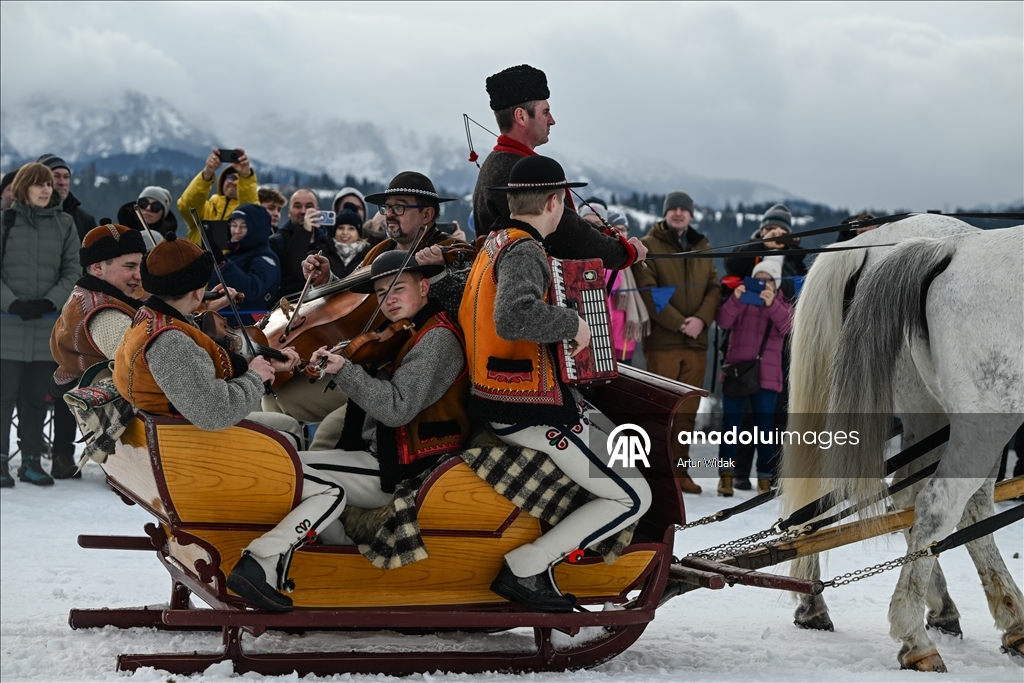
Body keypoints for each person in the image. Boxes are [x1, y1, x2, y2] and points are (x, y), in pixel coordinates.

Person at [460, 155, 651, 612]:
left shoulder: (497, 240)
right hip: (522, 407)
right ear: (555, 201)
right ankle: (529, 567)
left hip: (508, 395)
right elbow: (512, 317)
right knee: (633, 496)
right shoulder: (525, 249)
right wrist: (573, 323)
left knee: (623, 445)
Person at [228, 250, 470, 611]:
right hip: (388, 454)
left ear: (423, 287)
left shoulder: (437, 340)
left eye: (398, 289)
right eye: (382, 291)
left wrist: (346, 370)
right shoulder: (411, 330)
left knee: (293, 470)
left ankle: (260, 561)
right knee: (289, 463)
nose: (389, 300)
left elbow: (395, 408)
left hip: (409, 466)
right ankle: (335, 566)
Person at [111, 233, 307, 609]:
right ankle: (278, 538)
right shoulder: (169, 341)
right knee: (291, 431)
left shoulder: (152, 318)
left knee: (288, 427)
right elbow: (213, 412)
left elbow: (200, 355)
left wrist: (256, 357)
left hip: (175, 438)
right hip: (192, 452)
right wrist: (256, 377)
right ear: (197, 289)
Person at [472, 65, 644, 270]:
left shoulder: (501, 162)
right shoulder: (517, 171)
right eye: (545, 112)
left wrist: (611, 239)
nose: (552, 120)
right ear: (521, 117)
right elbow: (567, 234)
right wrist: (624, 253)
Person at [632, 191, 720, 494]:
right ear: (666, 213)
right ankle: (657, 474)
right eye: (674, 209)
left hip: (697, 343)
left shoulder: (702, 245)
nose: (679, 213)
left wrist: (700, 320)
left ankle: (680, 472)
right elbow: (647, 289)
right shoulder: (650, 245)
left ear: (691, 214)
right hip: (663, 342)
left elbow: (713, 287)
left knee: (687, 413)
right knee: (663, 411)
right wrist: (680, 322)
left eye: (684, 209)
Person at [1, 163, 80, 487]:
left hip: (46, 329)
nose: (47, 189)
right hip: (7, 327)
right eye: (39, 184)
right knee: (3, 398)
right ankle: (1, 462)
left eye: (49, 184)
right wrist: (11, 303)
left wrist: (51, 301)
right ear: (23, 187)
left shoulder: (64, 224)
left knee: (36, 399)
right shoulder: (5, 222)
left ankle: (31, 461)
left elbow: (73, 268)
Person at [47, 224, 147, 479]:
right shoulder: (106, 314)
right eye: (129, 267)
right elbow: (144, 367)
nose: (139, 275)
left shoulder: (95, 292)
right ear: (98, 268)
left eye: (140, 266)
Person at [302, 172, 470, 316]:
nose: (388, 214)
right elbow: (350, 296)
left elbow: (468, 311)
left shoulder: (455, 251)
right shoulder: (379, 252)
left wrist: (439, 277)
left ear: (426, 214)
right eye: (387, 207)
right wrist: (326, 280)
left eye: (398, 207)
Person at [715, 256, 793, 496]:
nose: (762, 284)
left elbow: (789, 327)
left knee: (765, 429)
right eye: (758, 279)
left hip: (768, 376)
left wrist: (771, 304)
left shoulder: (782, 305)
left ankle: (765, 478)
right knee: (731, 427)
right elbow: (723, 321)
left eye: (768, 281)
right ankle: (725, 477)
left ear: (776, 284)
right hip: (737, 371)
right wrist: (736, 299)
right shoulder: (740, 300)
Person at [724, 203, 807, 302]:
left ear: (787, 234)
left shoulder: (794, 259)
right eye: (770, 229)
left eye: (781, 231)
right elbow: (730, 265)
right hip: (747, 311)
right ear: (761, 230)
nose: (774, 233)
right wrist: (762, 245)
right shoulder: (749, 249)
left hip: (782, 315)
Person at [177, 148, 258, 246]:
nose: (234, 183)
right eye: (231, 177)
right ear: (223, 181)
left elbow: (255, 219)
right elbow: (186, 206)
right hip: (196, 261)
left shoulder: (244, 216)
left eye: (240, 180)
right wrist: (207, 173)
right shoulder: (205, 210)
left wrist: (246, 176)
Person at [213, 204, 281, 312]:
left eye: (244, 226)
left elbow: (252, 290)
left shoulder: (267, 258)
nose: (236, 231)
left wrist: (223, 264)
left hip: (250, 325)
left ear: (256, 229)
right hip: (220, 321)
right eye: (233, 225)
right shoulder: (231, 255)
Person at [604, 212, 648, 365]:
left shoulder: (632, 263)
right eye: (616, 230)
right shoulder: (606, 262)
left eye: (623, 230)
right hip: (606, 338)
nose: (620, 234)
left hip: (624, 339)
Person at [267, 189, 323, 298]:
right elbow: (294, 269)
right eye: (297, 206)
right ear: (289, 212)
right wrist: (305, 232)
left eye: (309, 206)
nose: (303, 211)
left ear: (317, 210)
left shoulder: (327, 240)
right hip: (289, 308)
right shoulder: (276, 242)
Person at [36, 154, 96, 240]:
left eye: (66, 177)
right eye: (56, 176)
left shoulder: (85, 221)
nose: (62, 182)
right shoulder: (26, 216)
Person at [325, 207, 370, 279]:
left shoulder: (368, 256)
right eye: (340, 228)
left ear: (359, 233)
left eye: (351, 228)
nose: (345, 232)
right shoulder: (323, 252)